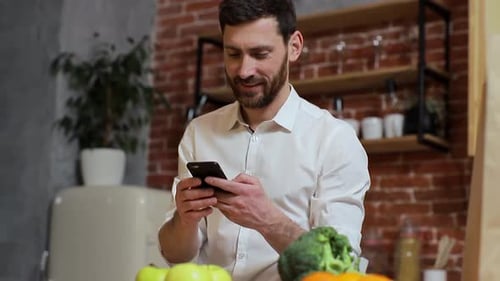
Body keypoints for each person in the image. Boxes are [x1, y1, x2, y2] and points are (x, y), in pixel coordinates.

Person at [158, 0, 370, 280]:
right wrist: (184, 220)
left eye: (260, 54)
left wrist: (268, 220)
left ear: (294, 47)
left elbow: (342, 268)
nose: (244, 70)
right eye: (233, 54)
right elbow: (175, 254)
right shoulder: (199, 132)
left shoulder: (335, 140)